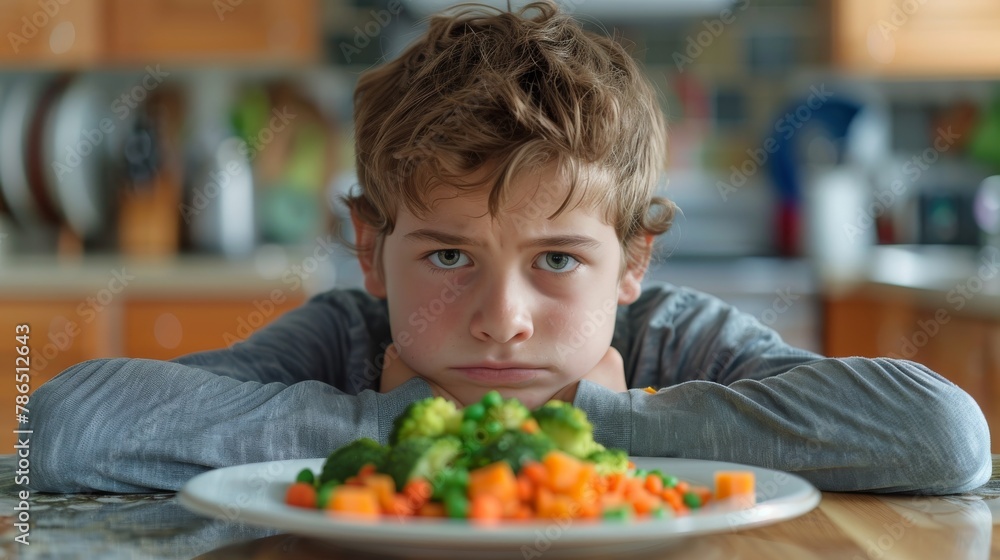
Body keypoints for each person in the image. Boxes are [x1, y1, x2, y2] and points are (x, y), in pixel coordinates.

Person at [28, 1, 988, 495]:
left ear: (634, 266)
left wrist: (605, 424)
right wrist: (408, 437)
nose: (502, 321)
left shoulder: (676, 340)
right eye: (448, 257)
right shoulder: (343, 340)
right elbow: (66, 430)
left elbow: (945, 437)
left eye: (559, 261)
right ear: (371, 250)